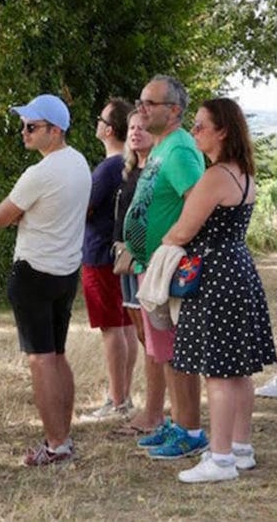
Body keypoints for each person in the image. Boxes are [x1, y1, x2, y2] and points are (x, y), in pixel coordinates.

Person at [163, 98, 277, 483]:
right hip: (238, 268)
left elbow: (183, 230)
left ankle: (221, 457)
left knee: (218, 371)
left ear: (222, 131)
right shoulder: (243, 173)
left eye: (199, 126)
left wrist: (163, 244)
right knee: (239, 369)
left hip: (213, 275)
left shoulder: (215, 177)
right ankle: (240, 449)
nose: (193, 132)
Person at [0, 94, 91, 466]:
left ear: (55, 130)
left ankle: (56, 444)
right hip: (66, 271)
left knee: (41, 361)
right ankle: (63, 436)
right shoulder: (79, 162)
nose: (24, 133)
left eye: (32, 127)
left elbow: (0, 217)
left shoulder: (40, 173)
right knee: (58, 355)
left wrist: (22, 214)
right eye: (23, 126)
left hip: (34, 271)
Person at [123, 75, 207, 460]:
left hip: (170, 268)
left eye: (150, 104)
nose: (141, 109)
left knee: (178, 353)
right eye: (140, 102)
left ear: (174, 110)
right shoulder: (161, 147)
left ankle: (190, 431)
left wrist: (173, 242)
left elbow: (199, 202)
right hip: (152, 268)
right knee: (165, 352)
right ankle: (177, 422)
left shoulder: (180, 151)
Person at [80, 98, 138, 421]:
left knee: (111, 328)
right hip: (117, 253)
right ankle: (123, 395)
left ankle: (116, 401)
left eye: (100, 118)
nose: (97, 123)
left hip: (99, 253)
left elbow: (83, 209)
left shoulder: (106, 168)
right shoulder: (126, 164)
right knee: (126, 324)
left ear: (109, 129)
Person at [114, 109, 166, 436]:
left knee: (153, 340)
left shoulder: (160, 170)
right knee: (142, 336)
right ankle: (153, 409)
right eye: (131, 127)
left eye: (142, 127)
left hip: (147, 264)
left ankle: (155, 412)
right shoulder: (129, 171)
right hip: (125, 263)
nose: (135, 132)